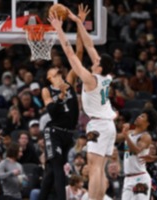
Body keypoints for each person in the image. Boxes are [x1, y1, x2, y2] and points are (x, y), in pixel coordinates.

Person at [48, 5, 117, 200]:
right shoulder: (106, 76)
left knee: (94, 168)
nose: (93, 60)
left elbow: (70, 54)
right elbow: (90, 46)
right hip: (108, 125)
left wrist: (59, 29)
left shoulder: (90, 79)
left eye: (96, 62)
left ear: (100, 66)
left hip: (98, 124)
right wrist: (78, 22)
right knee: (99, 169)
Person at [38, 5, 88, 200]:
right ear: (49, 79)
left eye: (59, 71)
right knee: (58, 166)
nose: (58, 73)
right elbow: (51, 111)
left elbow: (79, 54)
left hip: (68, 133)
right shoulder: (47, 90)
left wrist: (79, 24)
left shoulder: (70, 81)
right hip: (54, 131)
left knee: (51, 171)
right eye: (54, 73)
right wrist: (60, 96)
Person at [121, 108, 157, 200]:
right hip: (127, 178)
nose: (138, 117)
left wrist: (125, 135)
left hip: (140, 177)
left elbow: (136, 150)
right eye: (139, 115)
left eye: (142, 116)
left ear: (148, 123)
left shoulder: (145, 137)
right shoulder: (130, 133)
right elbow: (114, 137)